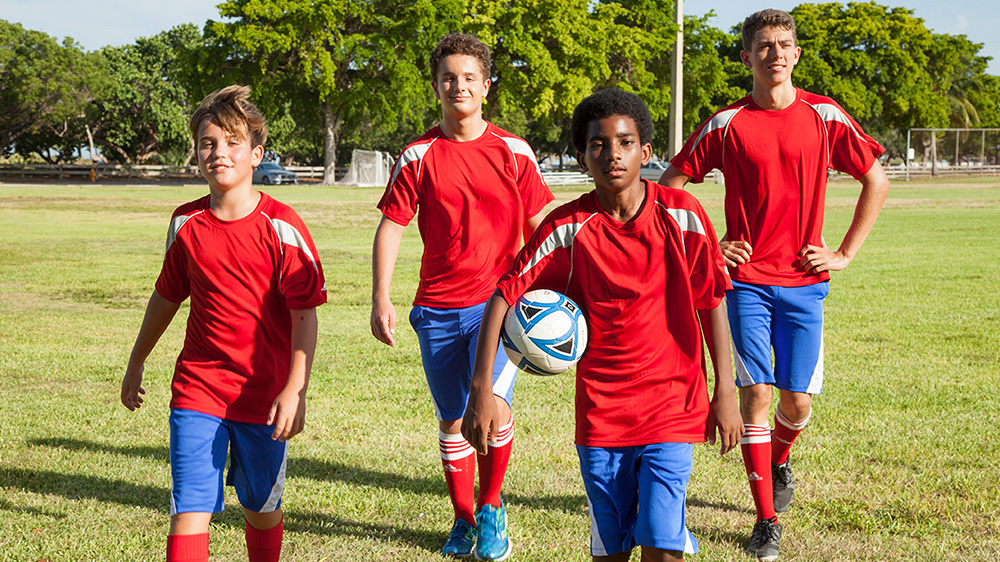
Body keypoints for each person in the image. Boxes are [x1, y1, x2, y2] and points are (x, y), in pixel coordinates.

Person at [463, 88, 744, 562]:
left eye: (625, 142)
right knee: (610, 552)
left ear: (645, 152)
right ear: (582, 157)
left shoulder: (683, 215)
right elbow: (502, 296)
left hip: (672, 404)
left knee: (662, 545)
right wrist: (482, 389)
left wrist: (726, 391)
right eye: (598, 144)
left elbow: (711, 300)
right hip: (602, 414)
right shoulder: (567, 226)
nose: (613, 154)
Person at [660, 9, 891, 562]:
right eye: (764, 46)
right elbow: (671, 185)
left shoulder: (825, 115)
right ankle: (766, 519)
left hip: (805, 281)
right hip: (744, 282)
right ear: (747, 57)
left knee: (797, 402)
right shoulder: (727, 123)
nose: (776, 54)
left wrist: (843, 254)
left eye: (785, 44)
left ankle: (780, 458)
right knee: (756, 395)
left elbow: (876, 180)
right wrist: (708, 247)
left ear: (797, 53)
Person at [120, 85, 326, 562]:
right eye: (208, 143)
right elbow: (166, 296)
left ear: (256, 154)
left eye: (232, 143)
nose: (218, 153)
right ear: (196, 153)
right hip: (198, 389)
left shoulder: (283, 227)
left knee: (261, 508)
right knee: (189, 509)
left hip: (264, 396)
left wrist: (295, 389)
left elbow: (304, 314)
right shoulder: (185, 223)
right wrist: (136, 360)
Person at [370, 33, 553, 560]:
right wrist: (381, 296)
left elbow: (541, 227)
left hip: (501, 305)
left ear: (486, 86)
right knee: (453, 418)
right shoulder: (418, 154)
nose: (459, 86)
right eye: (449, 78)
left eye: (470, 77)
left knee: (491, 407)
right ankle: (463, 518)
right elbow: (392, 226)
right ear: (436, 86)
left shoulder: (514, 151)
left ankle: (491, 508)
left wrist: (557, 289)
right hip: (436, 307)